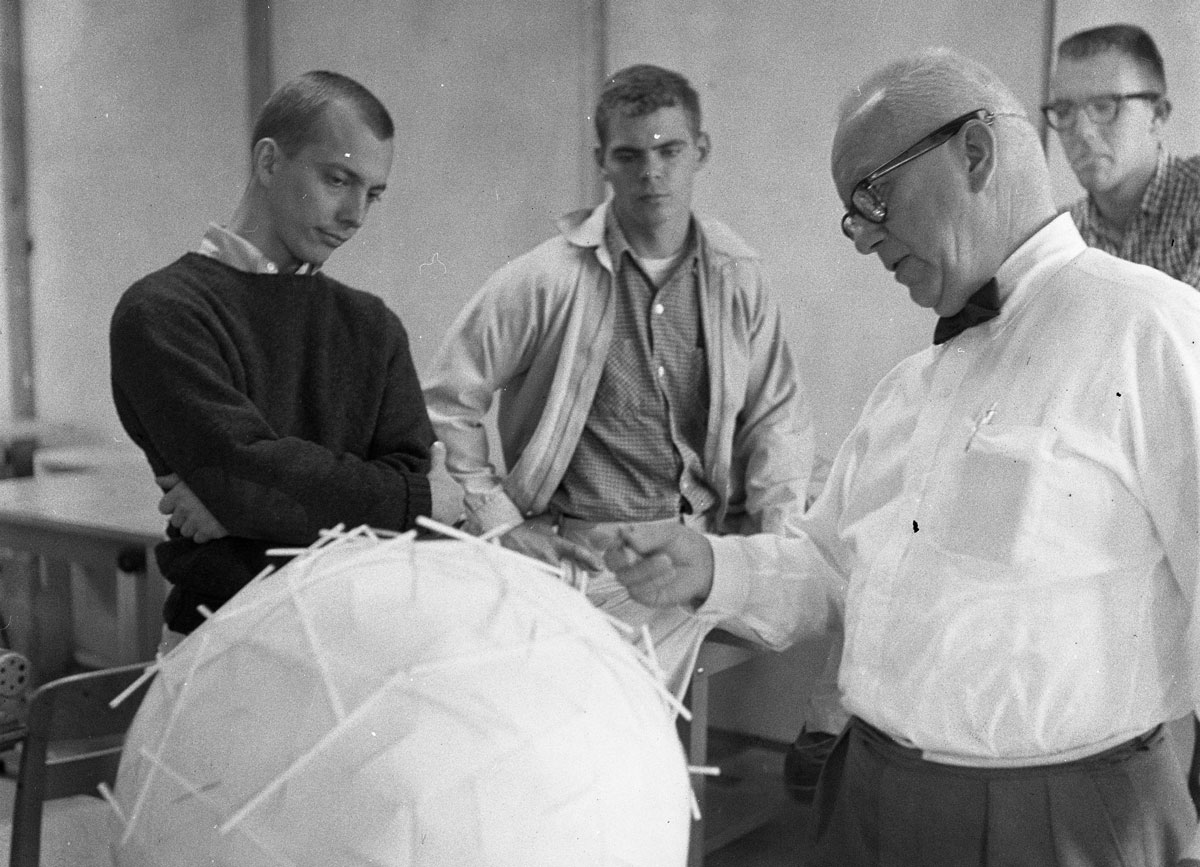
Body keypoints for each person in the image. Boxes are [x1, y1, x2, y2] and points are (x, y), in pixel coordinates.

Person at [607, 47, 1200, 865]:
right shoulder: (907, 390)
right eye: (851, 214)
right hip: (866, 799)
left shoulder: (1158, 332)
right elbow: (828, 569)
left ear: (977, 154)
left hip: (1062, 819)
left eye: (871, 197)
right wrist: (709, 566)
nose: (863, 239)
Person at [422, 64, 813, 697]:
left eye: (669, 151)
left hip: (693, 551)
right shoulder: (548, 277)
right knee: (570, 724)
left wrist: (768, 555)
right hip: (580, 555)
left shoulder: (738, 276)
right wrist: (498, 520)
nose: (651, 173)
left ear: (701, 152)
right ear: (603, 161)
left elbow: (777, 420)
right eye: (629, 156)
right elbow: (446, 401)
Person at [110, 71, 437, 644]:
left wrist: (243, 509)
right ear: (268, 163)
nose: (355, 214)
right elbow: (243, 477)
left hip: (359, 639)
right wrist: (245, 497)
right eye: (338, 180)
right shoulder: (161, 312)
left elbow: (412, 499)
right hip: (222, 640)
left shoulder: (372, 325)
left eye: (373, 194)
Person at [1045, 23, 1200, 288]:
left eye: (1105, 107)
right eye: (1063, 111)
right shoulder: (1060, 236)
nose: (1082, 131)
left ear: (1157, 114)